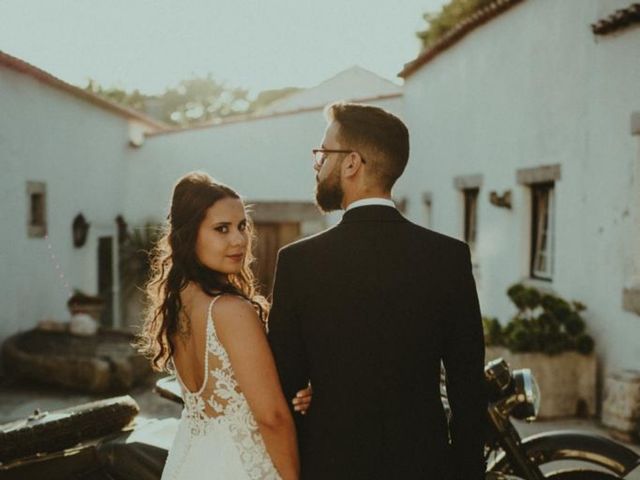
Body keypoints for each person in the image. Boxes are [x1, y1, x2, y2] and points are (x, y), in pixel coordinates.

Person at [268, 102, 487, 479]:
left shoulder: (298, 263)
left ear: (352, 163)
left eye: (323, 153)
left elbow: (284, 385)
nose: (317, 164)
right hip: (424, 466)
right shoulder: (448, 257)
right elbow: (468, 386)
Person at [138, 172, 310, 480]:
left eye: (242, 226)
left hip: (191, 463)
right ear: (190, 236)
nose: (239, 239)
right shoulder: (230, 311)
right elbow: (271, 417)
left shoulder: (179, 303)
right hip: (242, 467)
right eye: (222, 229)